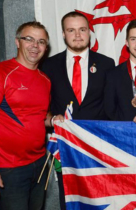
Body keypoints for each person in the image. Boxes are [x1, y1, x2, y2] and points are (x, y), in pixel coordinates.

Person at [0, 21, 62, 210]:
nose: (35, 46)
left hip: (40, 163)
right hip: (9, 168)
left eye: (41, 42)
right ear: (17, 42)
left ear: (46, 47)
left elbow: (40, 116)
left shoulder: (44, 80)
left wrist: (54, 120)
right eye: (29, 39)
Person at [41, 11, 115, 210]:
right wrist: (51, 118)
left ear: (89, 33)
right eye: (71, 30)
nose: (77, 35)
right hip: (65, 147)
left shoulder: (107, 64)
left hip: (98, 146)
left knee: (102, 200)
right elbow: (42, 108)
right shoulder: (48, 65)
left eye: (82, 29)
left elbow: (112, 107)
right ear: (63, 34)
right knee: (70, 200)